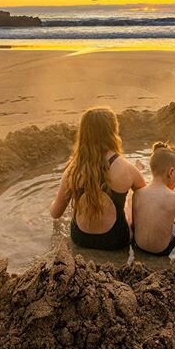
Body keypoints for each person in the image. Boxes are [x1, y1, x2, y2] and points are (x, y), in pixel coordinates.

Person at [49, 107, 145, 250]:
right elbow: (148, 200)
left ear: (83, 134)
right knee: (133, 199)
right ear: (113, 131)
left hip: (80, 238)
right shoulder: (127, 168)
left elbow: (55, 213)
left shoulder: (73, 169)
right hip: (116, 240)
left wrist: (58, 197)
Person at [131, 141, 175, 255]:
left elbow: (134, 225)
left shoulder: (137, 193)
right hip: (162, 250)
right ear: (171, 172)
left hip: (139, 245)